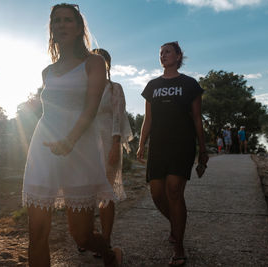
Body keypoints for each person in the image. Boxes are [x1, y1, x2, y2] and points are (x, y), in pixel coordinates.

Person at [22, 4, 122, 266]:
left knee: (81, 236)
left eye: (68, 20)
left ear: (79, 29)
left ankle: (110, 254)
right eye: (56, 21)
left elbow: (90, 109)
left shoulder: (94, 63)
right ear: (51, 29)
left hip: (80, 149)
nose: (61, 25)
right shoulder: (47, 71)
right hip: (43, 147)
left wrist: (69, 140)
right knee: (37, 233)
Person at [137, 41, 208, 266]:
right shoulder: (152, 85)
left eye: (168, 51)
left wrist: (203, 150)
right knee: (157, 194)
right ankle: (177, 224)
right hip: (158, 145)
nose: (163, 55)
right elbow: (148, 119)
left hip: (182, 144)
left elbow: (197, 119)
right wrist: (141, 144)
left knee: (174, 191)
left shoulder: (190, 84)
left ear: (178, 56)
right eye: (161, 53)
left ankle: (179, 245)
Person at [86, 48, 133, 256]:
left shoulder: (115, 88)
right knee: (84, 192)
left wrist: (116, 144)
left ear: (107, 65)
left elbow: (117, 117)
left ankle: (105, 240)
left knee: (105, 193)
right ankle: (89, 237)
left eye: (100, 61)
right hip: (85, 144)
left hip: (108, 143)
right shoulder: (83, 87)